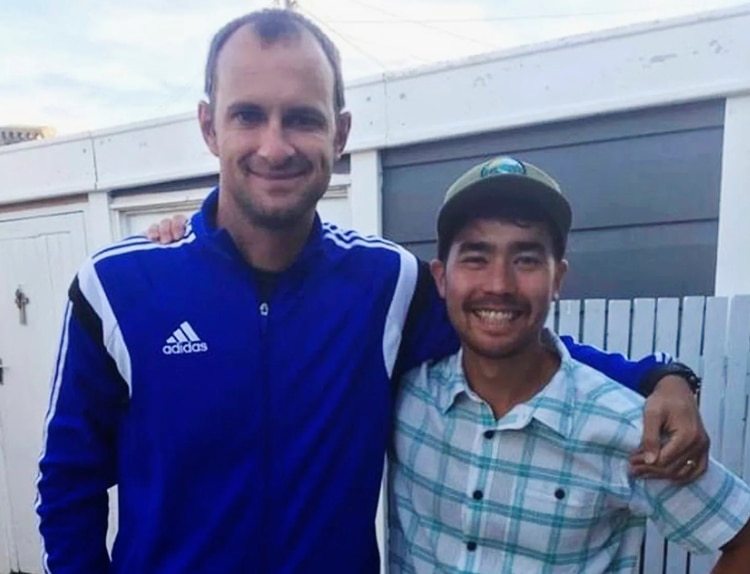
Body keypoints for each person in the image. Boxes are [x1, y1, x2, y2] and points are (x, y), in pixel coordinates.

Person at [37, 9, 706, 574]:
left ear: (341, 132)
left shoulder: (385, 284)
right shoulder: (118, 287)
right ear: (211, 126)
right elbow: (70, 484)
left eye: (301, 117)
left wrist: (661, 376)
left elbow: (511, 337)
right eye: (249, 115)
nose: (275, 146)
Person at [388, 155, 750, 573]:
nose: (499, 285)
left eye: (525, 259)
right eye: (475, 257)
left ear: (557, 278)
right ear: (440, 277)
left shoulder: (629, 430)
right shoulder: (405, 397)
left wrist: (669, 378)